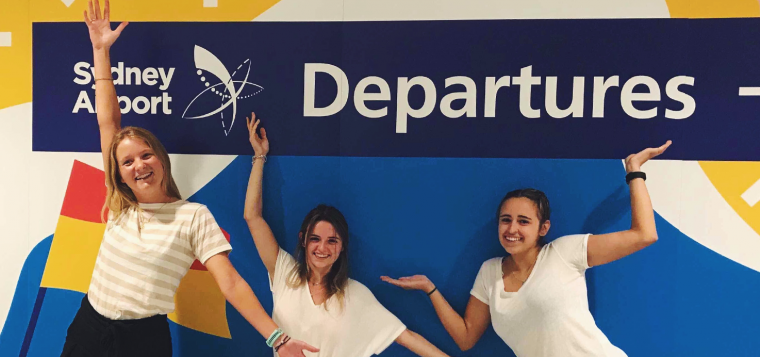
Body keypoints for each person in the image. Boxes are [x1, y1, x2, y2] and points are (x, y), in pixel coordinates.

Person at [60, 2, 318, 356]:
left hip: (143, 340)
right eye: (128, 162)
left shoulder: (193, 217)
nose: (138, 165)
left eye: (146, 155)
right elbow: (109, 122)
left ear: (161, 160)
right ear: (118, 174)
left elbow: (231, 283)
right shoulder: (120, 204)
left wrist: (278, 339)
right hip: (89, 326)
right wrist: (100, 50)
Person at [382, 141, 672, 357]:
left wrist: (634, 172)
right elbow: (466, 338)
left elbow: (644, 235)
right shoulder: (489, 272)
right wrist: (429, 289)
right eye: (506, 220)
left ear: (542, 228)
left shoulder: (564, 252)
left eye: (523, 221)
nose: (512, 229)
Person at [243, 114, 454, 357]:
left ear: (342, 246)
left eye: (332, 240)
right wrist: (259, 157)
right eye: (315, 238)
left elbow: (407, 338)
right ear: (303, 239)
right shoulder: (284, 274)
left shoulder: (355, 295)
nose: (322, 248)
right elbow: (252, 217)